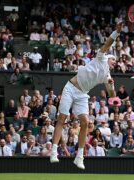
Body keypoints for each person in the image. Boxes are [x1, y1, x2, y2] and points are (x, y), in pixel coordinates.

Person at [50, 22, 122, 169]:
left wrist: (111, 85)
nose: (115, 61)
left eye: (116, 60)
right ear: (107, 58)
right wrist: (116, 32)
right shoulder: (101, 57)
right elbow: (107, 43)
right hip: (70, 88)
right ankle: (53, 151)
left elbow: (112, 96)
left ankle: (79, 156)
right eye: (113, 59)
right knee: (62, 119)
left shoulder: (107, 75)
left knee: (85, 123)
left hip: (83, 94)